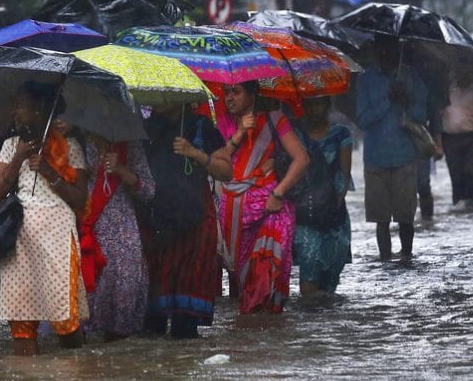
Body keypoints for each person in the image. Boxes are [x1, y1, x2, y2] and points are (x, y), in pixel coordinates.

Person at [0, 81, 89, 355]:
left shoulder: (70, 147)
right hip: (20, 241)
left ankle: (74, 379)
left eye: (21, 106)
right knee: (21, 322)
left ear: (39, 110)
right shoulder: (12, 146)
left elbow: (80, 199)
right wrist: (18, 159)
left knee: (65, 320)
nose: (15, 111)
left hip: (58, 238)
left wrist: (49, 172)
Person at [218, 81, 309, 314]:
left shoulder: (274, 118)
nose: (229, 98)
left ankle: (266, 339)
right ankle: (246, 337)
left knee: (263, 278)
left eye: (236, 92)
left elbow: (301, 159)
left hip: (270, 209)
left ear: (252, 94)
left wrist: (278, 194)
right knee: (239, 282)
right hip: (233, 213)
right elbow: (214, 162)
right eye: (226, 92)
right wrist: (240, 133)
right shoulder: (222, 122)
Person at [142, 103, 231, 338]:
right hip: (157, 221)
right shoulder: (147, 127)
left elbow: (226, 172)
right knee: (153, 323)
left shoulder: (201, 127)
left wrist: (195, 153)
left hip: (195, 220)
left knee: (184, 324)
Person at [356, 37, 428, 260]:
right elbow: (363, 119)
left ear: (398, 50)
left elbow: (421, 116)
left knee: (406, 216)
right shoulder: (366, 80)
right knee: (381, 218)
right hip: (375, 157)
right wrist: (387, 100)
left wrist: (406, 99)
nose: (387, 53)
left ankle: (407, 255)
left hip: (405, 155)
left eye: (391, 48)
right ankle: (384, 258)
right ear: (376, 51)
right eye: (382, 48)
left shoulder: (410, 77)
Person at [80, 133, 155, 342]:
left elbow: (148, 191)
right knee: (85, 300)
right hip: (89, 227)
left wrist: (122, 170)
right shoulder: (80, 140)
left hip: (122, 232)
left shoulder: (131, 144)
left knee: (122, 295)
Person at [292, 97, 354, 296]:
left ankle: (325, 325)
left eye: (318, 103)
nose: (313, 109)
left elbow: (344, 176)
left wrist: (332, 207)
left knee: (329, 281)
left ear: (327, 105)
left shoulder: (341, 134)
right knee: (308, 275)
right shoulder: (295, 135)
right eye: (309, 104)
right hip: (305, 213)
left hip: (333, 215)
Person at [440, 63, 473, 211]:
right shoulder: (448, 92)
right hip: (450, 138)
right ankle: (458, 203)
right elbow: (440, 114)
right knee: (455, 172)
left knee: (472, 170)